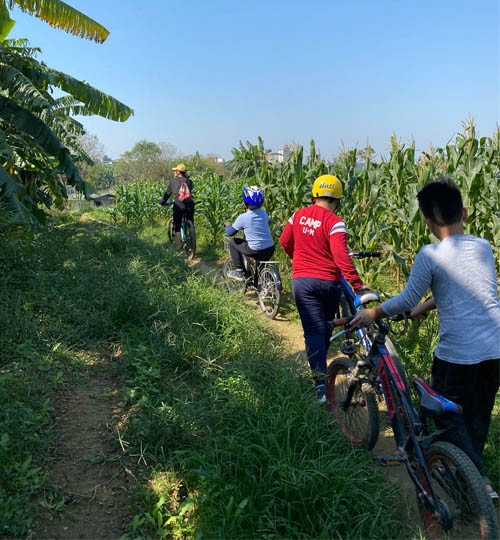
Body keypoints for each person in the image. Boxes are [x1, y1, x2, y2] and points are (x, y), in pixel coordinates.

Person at [350, 176, 500, 498]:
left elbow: (404, 300)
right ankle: (470, 476)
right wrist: (427, 306)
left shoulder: (430, 255)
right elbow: (467, 288)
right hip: (494, 350)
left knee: (439, 411)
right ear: (465, 212)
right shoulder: (483, 247)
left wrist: (373, 313)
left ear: (429, 223)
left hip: (457, 356)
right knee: (476, 415)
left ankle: (476, 478)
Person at [279, 174, 369, 403]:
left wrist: (298, 260)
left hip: (303, 283)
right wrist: (357, 285)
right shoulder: (335, 222)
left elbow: (284, 241)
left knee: (313, 331)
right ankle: (325, 373)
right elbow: (341, 256)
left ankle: (320, 386)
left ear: (315, 195)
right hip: (329, 282)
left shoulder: (298, 215)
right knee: (325, 327)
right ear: (337, 200)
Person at [224, 186, 275, 281]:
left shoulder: (243, 217)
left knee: (233, 242)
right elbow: (268, 221)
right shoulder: (264, 214)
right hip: (270, 248)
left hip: (255, 249)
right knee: (260, 268)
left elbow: (230, 232)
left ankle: (239, 270)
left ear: (245, 202)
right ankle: (262, 284)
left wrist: (228, 225)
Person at [160, 164, 194, 252]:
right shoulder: (189, 181)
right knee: (190, 222)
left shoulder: (173, 181)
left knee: (177, 225)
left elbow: (167, 193)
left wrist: (162, 202)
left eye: (175, 171)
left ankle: (179, 247)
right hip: (189, 206)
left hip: (179, 205)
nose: (174, 172)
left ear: (178, 172)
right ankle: (191, 241)